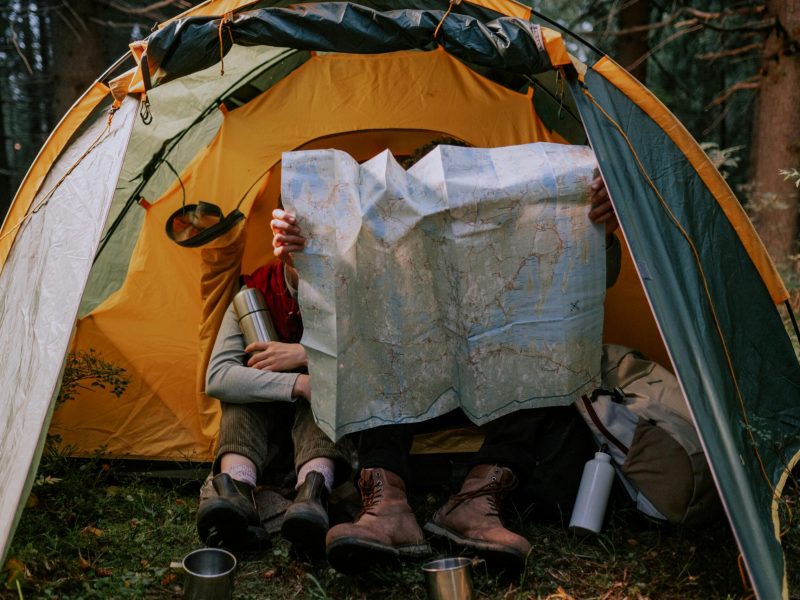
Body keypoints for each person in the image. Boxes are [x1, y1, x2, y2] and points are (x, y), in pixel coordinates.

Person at [270, 146, 621, 573]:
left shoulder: (508, 228)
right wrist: (300, 258)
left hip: (490, 398)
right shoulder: (383, 238)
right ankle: (387, 506)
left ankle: (476, 501)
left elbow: (583, 286)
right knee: (376, 347)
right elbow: (335, 293)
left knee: (538, 352)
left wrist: (597, 227)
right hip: (407, 398)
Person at [196, 251, 351, 557]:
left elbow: (371, 362)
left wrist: (305, 356)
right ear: (284, 250)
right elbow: (218, 377)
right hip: (262, 439)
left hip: (322, 433)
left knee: (323, 386)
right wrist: (296, 384)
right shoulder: (255, 294)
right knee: (241, 392)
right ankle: (236, 493)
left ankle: (312, 494)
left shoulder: (352, 288)